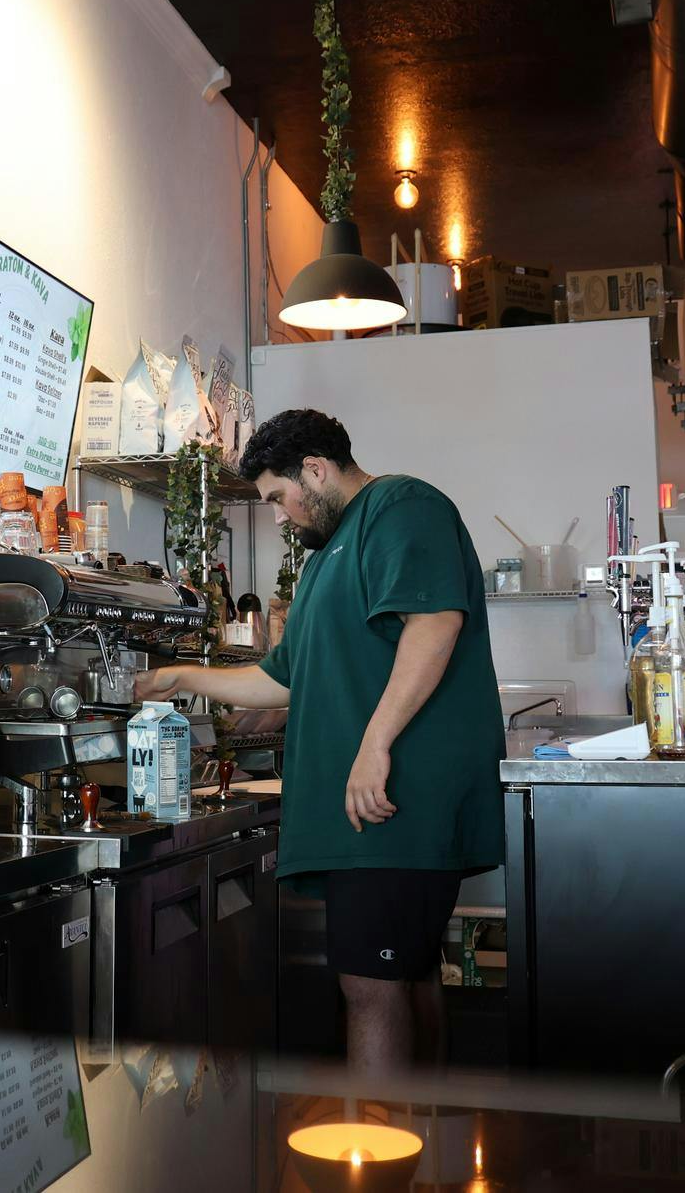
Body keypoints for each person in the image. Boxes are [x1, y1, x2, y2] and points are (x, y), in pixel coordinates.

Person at [137, 409, 504, 1074]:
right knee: (407, 974)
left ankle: (381, 1166)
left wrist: (375, 744)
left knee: (369, 988)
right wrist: (180, 674)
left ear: (317, 468)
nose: (279, 516)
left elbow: (434, 621)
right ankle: (420, 1151)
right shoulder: (325, 561)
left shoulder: (401, 506)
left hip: (396, 804)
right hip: (369, 811)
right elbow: (282, 680)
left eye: (279, 497)